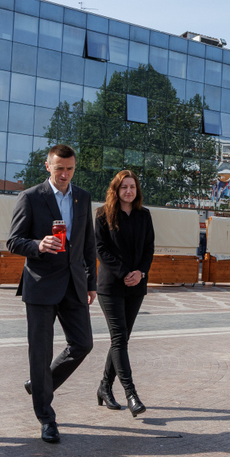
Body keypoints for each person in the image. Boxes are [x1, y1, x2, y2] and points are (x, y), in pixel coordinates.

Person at [7, 144, 97, 443]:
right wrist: (38, 245)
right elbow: (14, 241)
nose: (64, 174)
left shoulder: (82, 197)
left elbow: (88, 243)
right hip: (41, 284)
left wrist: (92, 283)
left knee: (83, 344)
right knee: (40, 352)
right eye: (59, 168)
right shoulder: (31, 197)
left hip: (74, 284)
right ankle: (46, 417)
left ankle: (39, 385)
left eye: (69, 169)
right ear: (48, 166)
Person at [94, 170, 154, 417]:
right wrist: (124, 273)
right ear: (116, 190)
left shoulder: (144, 215)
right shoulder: (102, 214)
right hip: (111, 286)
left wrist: (140, 272)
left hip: (136, 285)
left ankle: (104, 387)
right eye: (124, 187)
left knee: (121, 339)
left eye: (132, 187)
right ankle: (131, 394)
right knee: (119, 338)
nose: (129, 191)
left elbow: (149, 248)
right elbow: (101, 249)